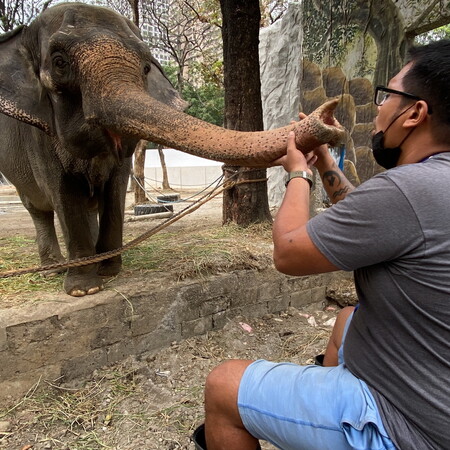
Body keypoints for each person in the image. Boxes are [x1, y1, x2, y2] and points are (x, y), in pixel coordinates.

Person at [197, 39, 450, 450]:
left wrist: (299, 174)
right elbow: (371, 215)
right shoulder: (427, 186)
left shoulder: (407, 189)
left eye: (387, 96)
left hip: (409, 424)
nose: (378, 109)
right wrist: (328, 164)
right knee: (347, 319)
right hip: (433, 388)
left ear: (415, 113)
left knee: (223, 386)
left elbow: (289, 252)